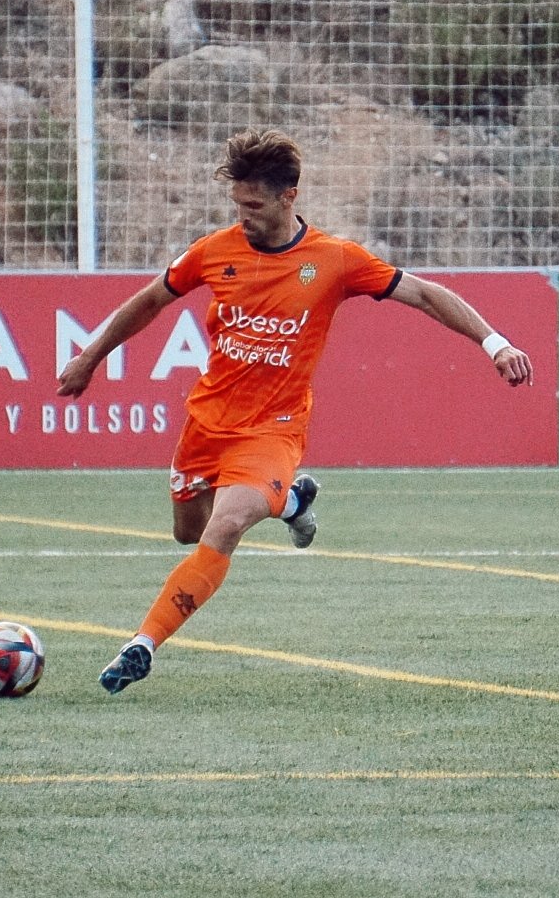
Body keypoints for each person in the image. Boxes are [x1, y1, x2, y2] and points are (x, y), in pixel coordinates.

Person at [58, 128, 533, 694]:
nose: (244, 216)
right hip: (206, 423)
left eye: (253, 206)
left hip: (274, 428)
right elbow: (150, 301)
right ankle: (293, 502)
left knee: (228, 523)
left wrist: (495, 343)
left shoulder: (334, 261)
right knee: (190, 532)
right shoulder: (214, 251)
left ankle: (142, 644)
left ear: (290, 197)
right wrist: (90, 356)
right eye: (237, 205)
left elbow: (427, 294)